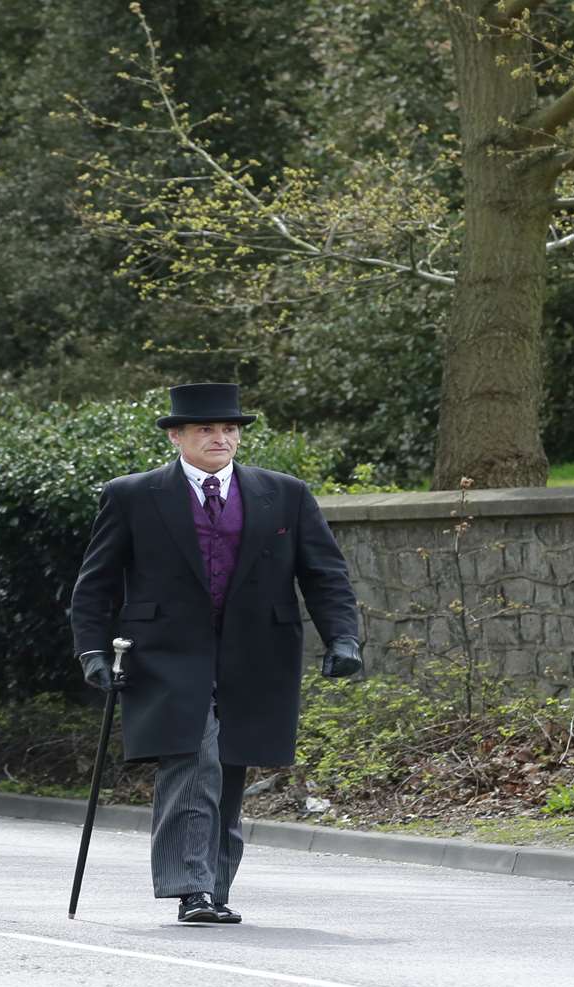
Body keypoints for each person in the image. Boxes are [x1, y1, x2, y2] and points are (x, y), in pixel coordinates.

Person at [68, 383, 361, 925]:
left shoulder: (285, 494)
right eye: (206, 429)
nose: (220, 438)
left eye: (229, 429)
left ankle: (213, 886)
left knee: (229, 768)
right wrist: (92, 651)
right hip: (164, 656)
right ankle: (191, 888)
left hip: (258, 653)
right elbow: (95, 584)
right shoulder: (133, 495)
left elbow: (325, 575)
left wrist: (343, 637)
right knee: (193, 757)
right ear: (177, 436)